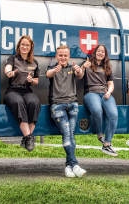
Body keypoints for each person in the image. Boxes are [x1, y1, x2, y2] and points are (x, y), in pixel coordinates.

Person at [46, 45, 86, 178]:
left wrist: (79, 70)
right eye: (60, 55)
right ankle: (74, 164)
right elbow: (48, 74)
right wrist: (55, 70)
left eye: (65, 55)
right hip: (57, 106)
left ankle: (68, 167)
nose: (63, 57)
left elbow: (79, 75)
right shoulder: (52, 68)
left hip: (73, 105)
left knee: (71, 134)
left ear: (69, 57)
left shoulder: (72, 68)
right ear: (56, 56)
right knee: (67, 132)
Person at [79, 45, 118, 156]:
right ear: (95, 52)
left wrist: (109, 92)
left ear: (105, 54)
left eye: (103, 51)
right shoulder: (86, 63)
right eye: (99, 51)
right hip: (90, 93)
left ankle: (107, 144)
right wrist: (83, 67)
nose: (100, 53)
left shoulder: (107, 66)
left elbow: (111, 84)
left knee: (113, 114)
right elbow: (79, 76)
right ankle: (100, 135)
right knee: (96, 110)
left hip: (105, 93)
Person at [3, 35, 41, 152]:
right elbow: (7, 68)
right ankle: (28, 137)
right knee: (17, 102)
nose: (24, 47)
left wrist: (31, 81)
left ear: (31, 48)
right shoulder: (13, 58)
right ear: (19, 46)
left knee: (34, 102)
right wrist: (9, 72)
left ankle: (27, 137)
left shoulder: (34, 62)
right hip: (13, 90)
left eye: (27, 45)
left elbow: (36, 82)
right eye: (22, 44)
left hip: (27, 90)